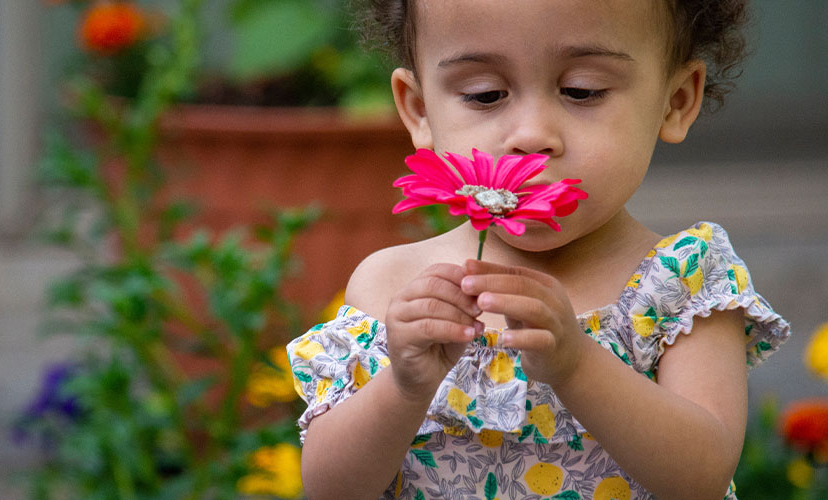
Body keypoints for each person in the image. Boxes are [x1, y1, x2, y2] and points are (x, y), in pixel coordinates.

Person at [286, 1, 791, 499]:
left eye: (581, 91)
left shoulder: (682, 284)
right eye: (485, 95)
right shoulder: (390, 283)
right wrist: (403, 387)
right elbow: (330, 488)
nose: (531, 136)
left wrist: (577, 367)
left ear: (676, 100)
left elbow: (700, 476)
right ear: (419, 110)